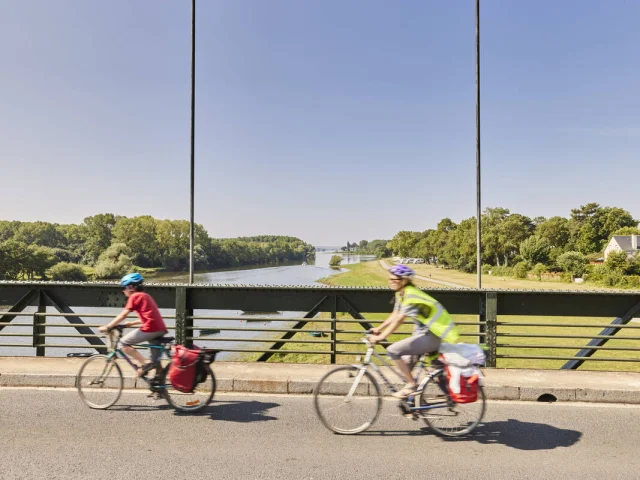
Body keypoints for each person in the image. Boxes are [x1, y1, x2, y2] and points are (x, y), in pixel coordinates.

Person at [369, 264, 460, 398]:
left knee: (393, 351)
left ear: (404, 280)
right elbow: (395, 314)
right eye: (390, 279)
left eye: (395, 280)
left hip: (431, 336)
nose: (391, 282)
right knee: (405, 367)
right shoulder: (401, 294)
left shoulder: (411, 295)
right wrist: (378, 329)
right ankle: (416, 404)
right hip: (422, 334)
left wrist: (380, 337)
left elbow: (399, 320)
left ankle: (412, 385)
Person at [98, 273, 168, 377]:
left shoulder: (135, 296)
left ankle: (145, 363)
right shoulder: (146, 296)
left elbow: (123, 315)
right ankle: (160, 387)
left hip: (150, 329)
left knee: (122, 344)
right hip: (160, 329)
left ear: (131, 287)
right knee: (156, 363)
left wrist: (108, 327)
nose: (123, 290)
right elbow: (149, 316)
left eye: (124, 288)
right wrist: (131, 323)